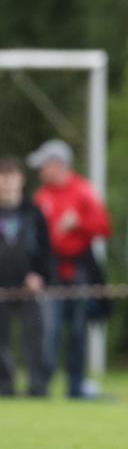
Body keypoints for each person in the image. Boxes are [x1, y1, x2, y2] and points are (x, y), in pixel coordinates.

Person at [29, 139, 111, 399]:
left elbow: (104, 227)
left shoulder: (83, 190)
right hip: (51, 272)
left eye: (43, 165)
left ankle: (75, 387)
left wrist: (79, 223)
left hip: (79, 271)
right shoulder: (40, 197)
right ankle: (42, 386)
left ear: (57, 164)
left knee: (78, 331)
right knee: (49, 331)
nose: (40, 171)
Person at [0, 157, 51, 397]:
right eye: (2, 177)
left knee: (35, 338)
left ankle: (37, 386)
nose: (7, 182)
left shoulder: (34, 212)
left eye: (11, 176)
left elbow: (46, 249)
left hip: (30, 287)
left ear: (21, 180)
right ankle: (4, 386)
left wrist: (40, 276)